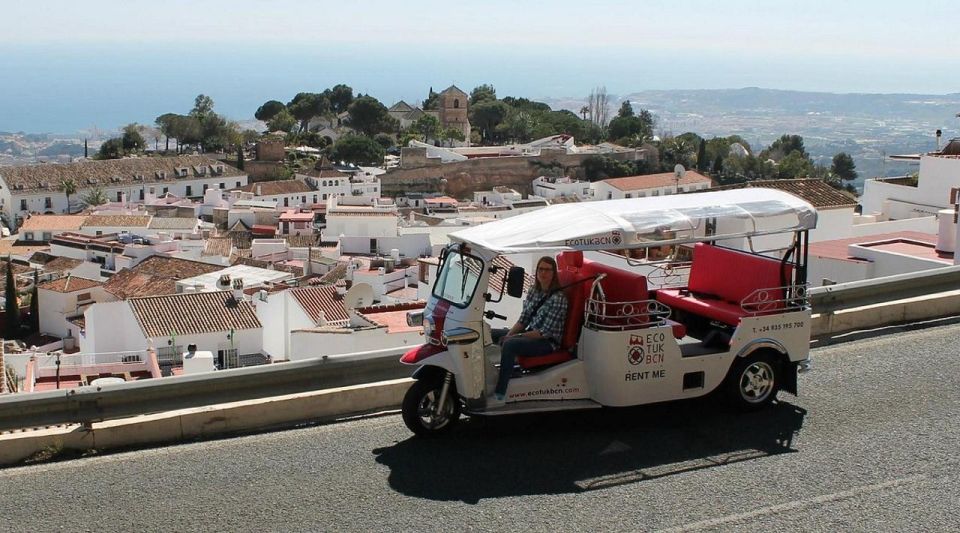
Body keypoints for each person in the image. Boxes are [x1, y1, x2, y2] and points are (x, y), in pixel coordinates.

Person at [491, 256, 568, 401]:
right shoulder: (534, 290)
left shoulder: (559, 298)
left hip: (546, 342)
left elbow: (544, 333)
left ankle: (499, 393)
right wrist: (509, 334)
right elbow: (524, 319)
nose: (543, 273)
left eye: (547, 270)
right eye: (540, 269)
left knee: (509, 344)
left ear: (553, 273)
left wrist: (513, 338)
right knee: (489, 333)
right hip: (530, 333)